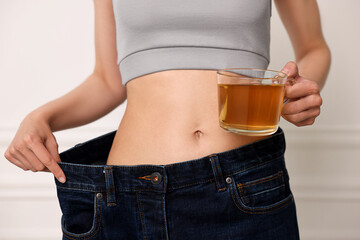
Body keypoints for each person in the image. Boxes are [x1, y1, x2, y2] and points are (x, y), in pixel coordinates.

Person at [4, 0, 330, 239]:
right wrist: (41, 116)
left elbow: (314, 48)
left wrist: (295, 92)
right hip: (123, 197)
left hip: (242, 188)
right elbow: (107, 80)